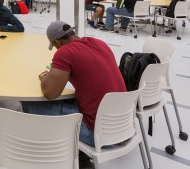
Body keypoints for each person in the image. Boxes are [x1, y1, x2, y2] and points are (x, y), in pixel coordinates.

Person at [21, 21, 126, 149]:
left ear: (58, 42)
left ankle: (58, 149)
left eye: (54, 46)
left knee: (28, 103)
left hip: (98, 134)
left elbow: (50, 93)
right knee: (72, 99)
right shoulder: (99, 43)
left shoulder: (65, 52)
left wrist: (44, 77)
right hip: (123, 125)